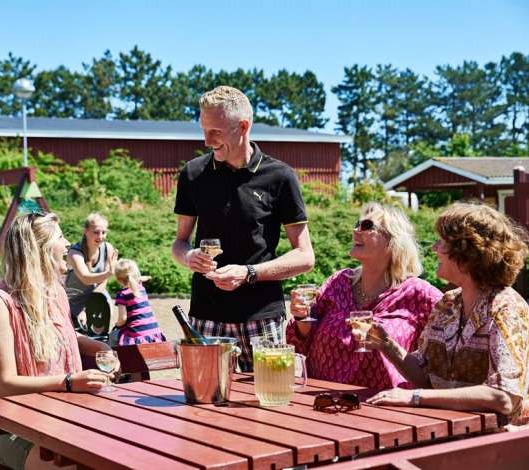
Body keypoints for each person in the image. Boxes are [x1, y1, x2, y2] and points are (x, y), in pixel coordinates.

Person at [171, 85, 315, 371]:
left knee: (271, 405)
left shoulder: (281, 177)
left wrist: (248, 273)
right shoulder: (192, 174)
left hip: (262, 318)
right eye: (203, 129)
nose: (206, 140)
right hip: (205, 315)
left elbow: (305, 256)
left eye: (216, 132)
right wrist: (188, 257)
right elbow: (179, 243)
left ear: (244, 126)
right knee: (203, 408)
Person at [358, 203, 529, 426]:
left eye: (442, 243)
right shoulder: (448, 304)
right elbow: (423, 376)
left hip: (494, 443)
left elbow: (504, 397)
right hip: (442, 430)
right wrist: (387, 345)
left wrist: (415, 396)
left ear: (466, 254)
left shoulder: (505, 308)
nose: (434, 249)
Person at [0, 212, 113, 470]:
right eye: (60, 238)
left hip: (61, 419)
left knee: (118, 451)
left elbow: (60, 333)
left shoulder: (56, 293)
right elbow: (5, 384)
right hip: (12, 431)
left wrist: (97, 346)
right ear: (39, 250)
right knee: (73, 465)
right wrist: (68, 382)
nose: (68, 244)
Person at [287, 203, 442, 391]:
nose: (355, 230)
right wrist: (302, 316)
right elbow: (300, 344)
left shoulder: (419, 294)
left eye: (366, 226)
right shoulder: (338, 282)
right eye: (356, 224)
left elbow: (443, 356)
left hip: (384, 412)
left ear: (392, 240)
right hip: (322, 404)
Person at [64, 212, 118, 332]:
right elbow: (86, 278)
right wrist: (109, 272)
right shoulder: (75, 253)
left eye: (103, 232)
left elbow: (103, 281)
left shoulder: (107, 248)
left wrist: (91, 306)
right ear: (86, 231)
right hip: (73, 302)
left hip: (96, 296)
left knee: (99, 334)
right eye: (96, 232)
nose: (101, 236)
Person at [113, 258, 167, 345]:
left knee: (115, 336)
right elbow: (138, 279)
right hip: (154, 331)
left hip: (137, 335)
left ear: (118, 280)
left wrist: (117, 325)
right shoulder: (141, 288)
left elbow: (122, 319)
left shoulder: (122, 294)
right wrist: (145, 277)